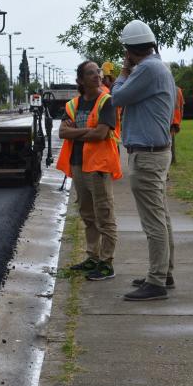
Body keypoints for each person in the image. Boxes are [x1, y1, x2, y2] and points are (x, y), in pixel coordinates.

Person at [110, 19, 177, 301]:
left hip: (147, 156)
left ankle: (156, 281)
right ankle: (164, 272)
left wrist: (124, 72)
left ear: (129, 50)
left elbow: (117, 97)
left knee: (153, 221)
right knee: (161, 216)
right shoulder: (159, 67)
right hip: (157, 152)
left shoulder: (146, 68)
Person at [57, 61, 122, 281]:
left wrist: (79, 132)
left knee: (104, 215)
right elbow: (63, 133)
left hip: (98, 166)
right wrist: (89, 131)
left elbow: (101, 134)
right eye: (91, 73)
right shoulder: (73, 105)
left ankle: (106, 263)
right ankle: (92, 257)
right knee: (88, 215)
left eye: (98, 72)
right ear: (81, 80)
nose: (97, 76)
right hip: (77, 165)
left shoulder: (106, 101)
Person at [170, 85, 184, 165]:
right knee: (171, 139)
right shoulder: (178, 89)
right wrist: (180, 119)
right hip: (175, 118)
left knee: (168, 141)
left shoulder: (162, 87)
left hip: (167, 118)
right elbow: (182, 106)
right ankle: (172, 159)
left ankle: (171, 160)